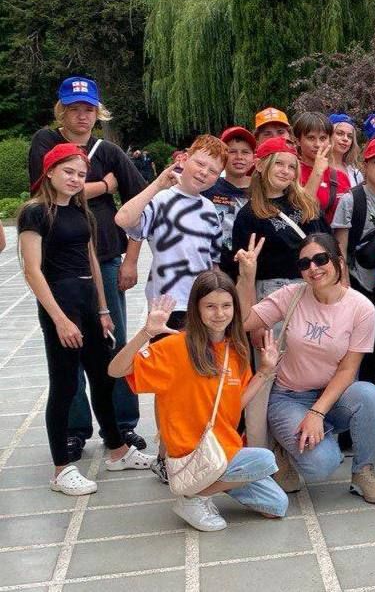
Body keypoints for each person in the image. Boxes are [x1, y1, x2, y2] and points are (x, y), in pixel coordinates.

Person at [20, 144, 154, 495]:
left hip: (89, 303)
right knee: (65, 384)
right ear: (49, 171)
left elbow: (92, 260)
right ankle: (61, 470)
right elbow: (32, 271)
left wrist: (103, 309)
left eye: (81, 174)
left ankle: (118, 450)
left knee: (104, 377)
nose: (75, 179)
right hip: (61, 302)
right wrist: (60, 319)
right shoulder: (35, 212)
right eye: (68, 172)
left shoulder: (81, 211)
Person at [110, 273, 289, 530]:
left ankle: (211, 485)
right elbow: (115, 370)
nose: (220, 313)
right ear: (196, 308)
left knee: (277, 506)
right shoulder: (175, 347)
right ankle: (192, 498)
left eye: (226, 305)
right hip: (190, 452)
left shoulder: (235, 351)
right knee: (264, 460)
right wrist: (146, 333)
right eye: (210, 306)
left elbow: (234, 406)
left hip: (223, 449)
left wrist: (264, 372)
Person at [27, 76, 146, 461]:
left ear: (98, 113)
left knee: (113, 345)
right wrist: (103, 186)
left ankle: (122, 426)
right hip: (58, 267)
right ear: (61, 111)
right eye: (74, 108)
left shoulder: (109, 151)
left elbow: (141, 200)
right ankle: (73, 430)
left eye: (89, 109)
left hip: (105, 257)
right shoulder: (45, 142)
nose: (82, 116)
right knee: (68, 351)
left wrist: (131, 259)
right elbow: (43, 189)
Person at [238, 233, 375, 504]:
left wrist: (317, 412)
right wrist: (248, 276)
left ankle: (363, 471)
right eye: (304, 263)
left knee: (371, 396)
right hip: (289, 396)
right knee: (322, 464)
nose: (313, 268)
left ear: (338, 261)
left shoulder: (361, 308)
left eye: (321, 259)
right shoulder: (291, 295)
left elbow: (348, 370)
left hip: (333, 396)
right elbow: (245, 321)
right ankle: (284, 448)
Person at [331, 137, 375, 448]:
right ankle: (346, 427)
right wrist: (343, 286)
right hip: (356, 284)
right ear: (365, 166)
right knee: (353, 359)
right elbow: (340, 247)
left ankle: (373, 424)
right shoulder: (351, 200)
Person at [115, 135, 228, 325]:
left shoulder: (210, 210)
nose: (204, 172)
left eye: (213, 171)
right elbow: (123, 219)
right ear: (184, 159)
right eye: (200, 163)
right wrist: (157, 185)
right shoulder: (162, 199)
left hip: (201, 302)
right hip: (165, 304)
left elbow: (213, 262)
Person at [231, 137, 328, 300]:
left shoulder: (307, 204)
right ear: (260, 165)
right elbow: (242, 273)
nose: (285, 171)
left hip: (315, 284)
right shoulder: (248, 215)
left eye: (291, 167)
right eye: (278, 163)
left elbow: (330, 244)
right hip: (273, 292)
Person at [204, 127, 256, 274]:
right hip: (217, 268)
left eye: (245, 152)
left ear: (254, 158)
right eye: (232, 151)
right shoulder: (209, 187)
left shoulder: (263, 189)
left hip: (255, 266)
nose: (239, 157)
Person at [294, 111, 352, 224]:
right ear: (298, 141)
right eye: (311, 138)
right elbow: (302, 212)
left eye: (323, 138)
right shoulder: (291, 173)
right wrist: (317, 172)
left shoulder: (340, 176)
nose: (317, 144)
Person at [328, 113, 364, 188]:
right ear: (328, 136)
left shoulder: (355, 174)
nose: (345, 139)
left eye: (350, 136)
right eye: (339, 133)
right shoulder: (316, 167)